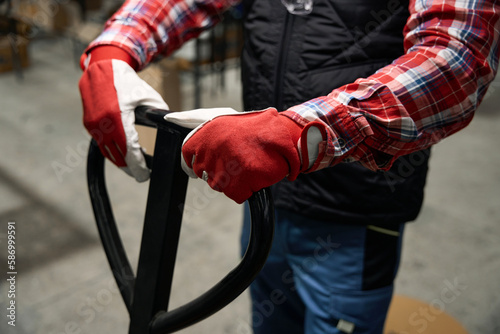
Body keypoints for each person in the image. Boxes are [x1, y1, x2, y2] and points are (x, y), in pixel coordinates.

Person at [78, 0, 500, 333]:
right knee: (270, 320)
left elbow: (457, 57)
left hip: (355, 209)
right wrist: (116, 47)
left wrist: (300, 134)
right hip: (265, 197)